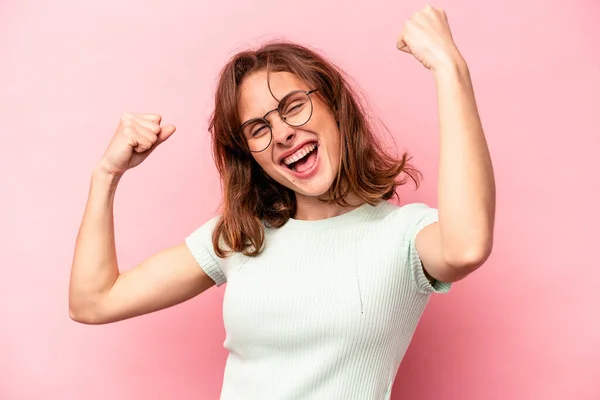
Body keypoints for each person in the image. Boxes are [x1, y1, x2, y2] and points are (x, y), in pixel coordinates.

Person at [69, 5, 495, 399]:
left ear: (334, 105)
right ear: (250, 155)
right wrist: (106, 175)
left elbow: (467, 246)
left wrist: (449, 69)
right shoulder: (242, 236)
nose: (282, 134)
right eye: (258, 128)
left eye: (293, 107)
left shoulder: (401, 236)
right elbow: (94, 301)